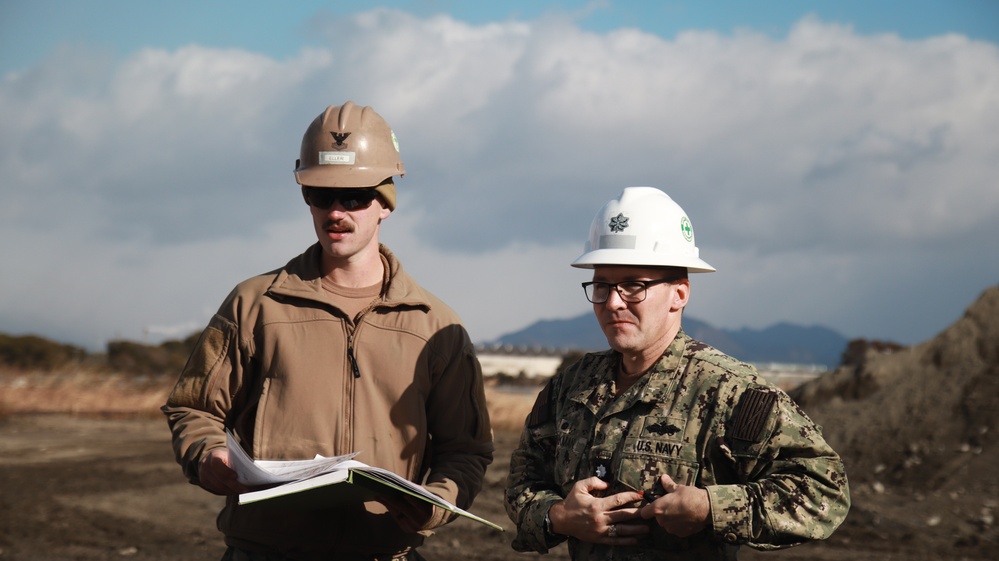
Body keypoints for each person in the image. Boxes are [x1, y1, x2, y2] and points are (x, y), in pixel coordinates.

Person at [163, 101, 494, 561]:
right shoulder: (253, 305)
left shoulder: (436, 326)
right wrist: (208, 455)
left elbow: (466, 449)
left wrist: (436, 505)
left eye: (354, 196)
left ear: (385, 203)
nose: (336, 211)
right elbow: (193, 409)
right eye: (322, 195)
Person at [505, 186, 850, 560]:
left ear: (679, 294)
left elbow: (824, 491)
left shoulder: (731, 393)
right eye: (602, 286)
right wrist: (559, 517)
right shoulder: (570, 388)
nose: (613, 302)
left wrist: (709, 507)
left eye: (633, 286)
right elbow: (522, 482)